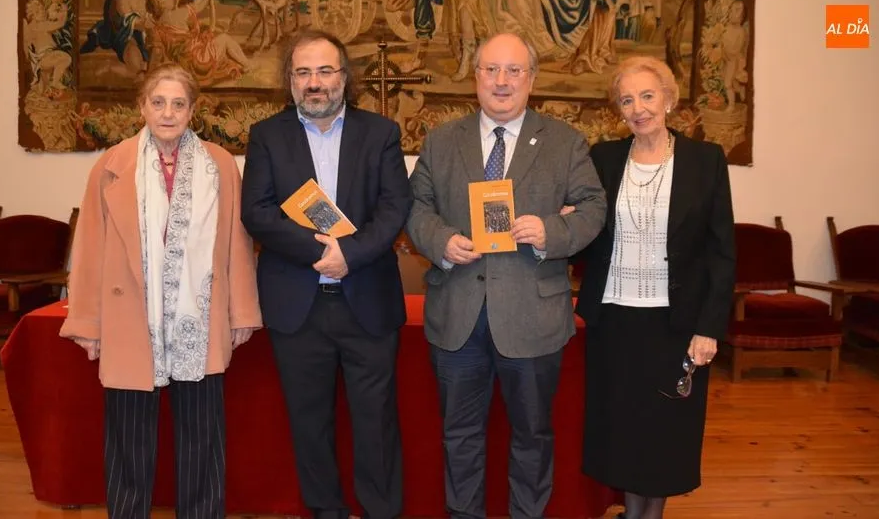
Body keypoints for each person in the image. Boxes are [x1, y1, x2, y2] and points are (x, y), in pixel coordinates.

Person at [406, 32, 607, 519]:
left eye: (514, 70)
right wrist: (441, 243)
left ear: (531, 79)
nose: (501, 81)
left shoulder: (565, 141)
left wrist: (549, 231)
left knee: (533, 435)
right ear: (474, 76)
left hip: (533, 315)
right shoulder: (441, 139)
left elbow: (593, 207)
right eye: (491, 69)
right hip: (457, 312)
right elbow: (416, 207)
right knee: (460, 435)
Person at [59, 62, 262, 519]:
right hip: (131, 320)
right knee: (129, 440)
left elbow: (237, 243)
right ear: (142, 106)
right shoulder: (111, 165)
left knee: (202, 439)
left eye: (178, 103)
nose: (168, 113)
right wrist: (88, 324)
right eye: (158, 102)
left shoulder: (220, 165)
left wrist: (243, 312)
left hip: (199, 319)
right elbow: (89, 248)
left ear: (193, 110)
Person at [241, 30, 412, 519]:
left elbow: (394, 206)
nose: (314, 82)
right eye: (303, 72)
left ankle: (381, 512)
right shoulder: (267, 135)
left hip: (368, 302)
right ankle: (326, 512)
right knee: (308, 424)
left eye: (324, 71)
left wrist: (350, 255)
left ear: (344, 77)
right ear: (290, 80)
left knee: (376, 424)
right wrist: (322, 251)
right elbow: (257, 211)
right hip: (298, 306)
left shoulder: (380, 133)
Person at [575, 55, 736, 519]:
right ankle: (632, 512)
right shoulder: (604, 158)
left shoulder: (705, 160)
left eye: (647, 95)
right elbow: (588, 229)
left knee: (665, 430)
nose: (638, 107)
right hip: (615, 319)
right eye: (627, 99)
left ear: (669, 98)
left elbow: (721, 252)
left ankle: (651, 515)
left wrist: (709, 328)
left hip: (676, 321)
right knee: (623, 428)